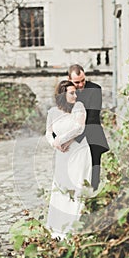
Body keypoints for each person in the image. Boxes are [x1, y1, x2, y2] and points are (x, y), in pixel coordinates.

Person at [46, 80, 92, 239]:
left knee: (76, 185)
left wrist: (63, 140)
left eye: (75, 92)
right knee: (60, 186)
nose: (75, 95)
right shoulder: (52, 112)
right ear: (62, 95)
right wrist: (55, 143)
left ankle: (74, 227)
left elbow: (79, 128)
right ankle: (58, 227)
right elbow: (48, 132)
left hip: (78, 152)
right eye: (71, 92)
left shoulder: (79, 107)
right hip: (62, 153)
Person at [68, 64, 109, 190]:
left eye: (83, 81)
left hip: (92, 136)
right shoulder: (66, 91)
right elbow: (62, 114)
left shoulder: (95, 89)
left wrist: (73, 137)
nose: (80, 85)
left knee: (93, 173)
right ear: (69, 79)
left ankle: (93, 199)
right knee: (75, 173)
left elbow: (93, 117)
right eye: (76, 82)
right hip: (72, 139)